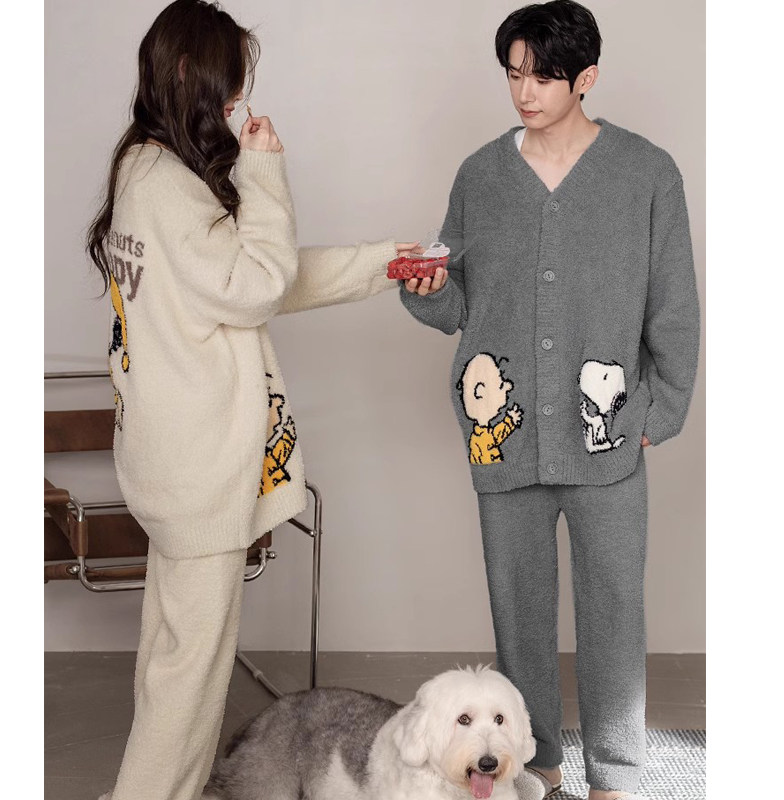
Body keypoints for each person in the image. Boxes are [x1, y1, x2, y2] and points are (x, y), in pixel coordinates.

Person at [86, 2, 419, 798]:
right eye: (232, 87)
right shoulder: (171, 190)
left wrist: (386, 263)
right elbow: (259, 285)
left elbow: (246, 283)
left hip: (168, 459)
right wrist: (265, 172)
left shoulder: (141, 168)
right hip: (200, 469)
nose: (240, 104)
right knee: (187, 684)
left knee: (171, 665)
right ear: (191, 78)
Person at [399, 2, 700, 799]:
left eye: (542, 76)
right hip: (506, 436)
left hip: (607, 436)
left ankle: (615, 778)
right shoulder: (480, 176)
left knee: (614, 614)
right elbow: (459, 302)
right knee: (519, 614)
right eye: (513, 74)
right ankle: (535, 770)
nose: (523, 92)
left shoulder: (647, 173)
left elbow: (674, 305)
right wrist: (428, 290)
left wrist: (659, 410)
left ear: (586, 78)